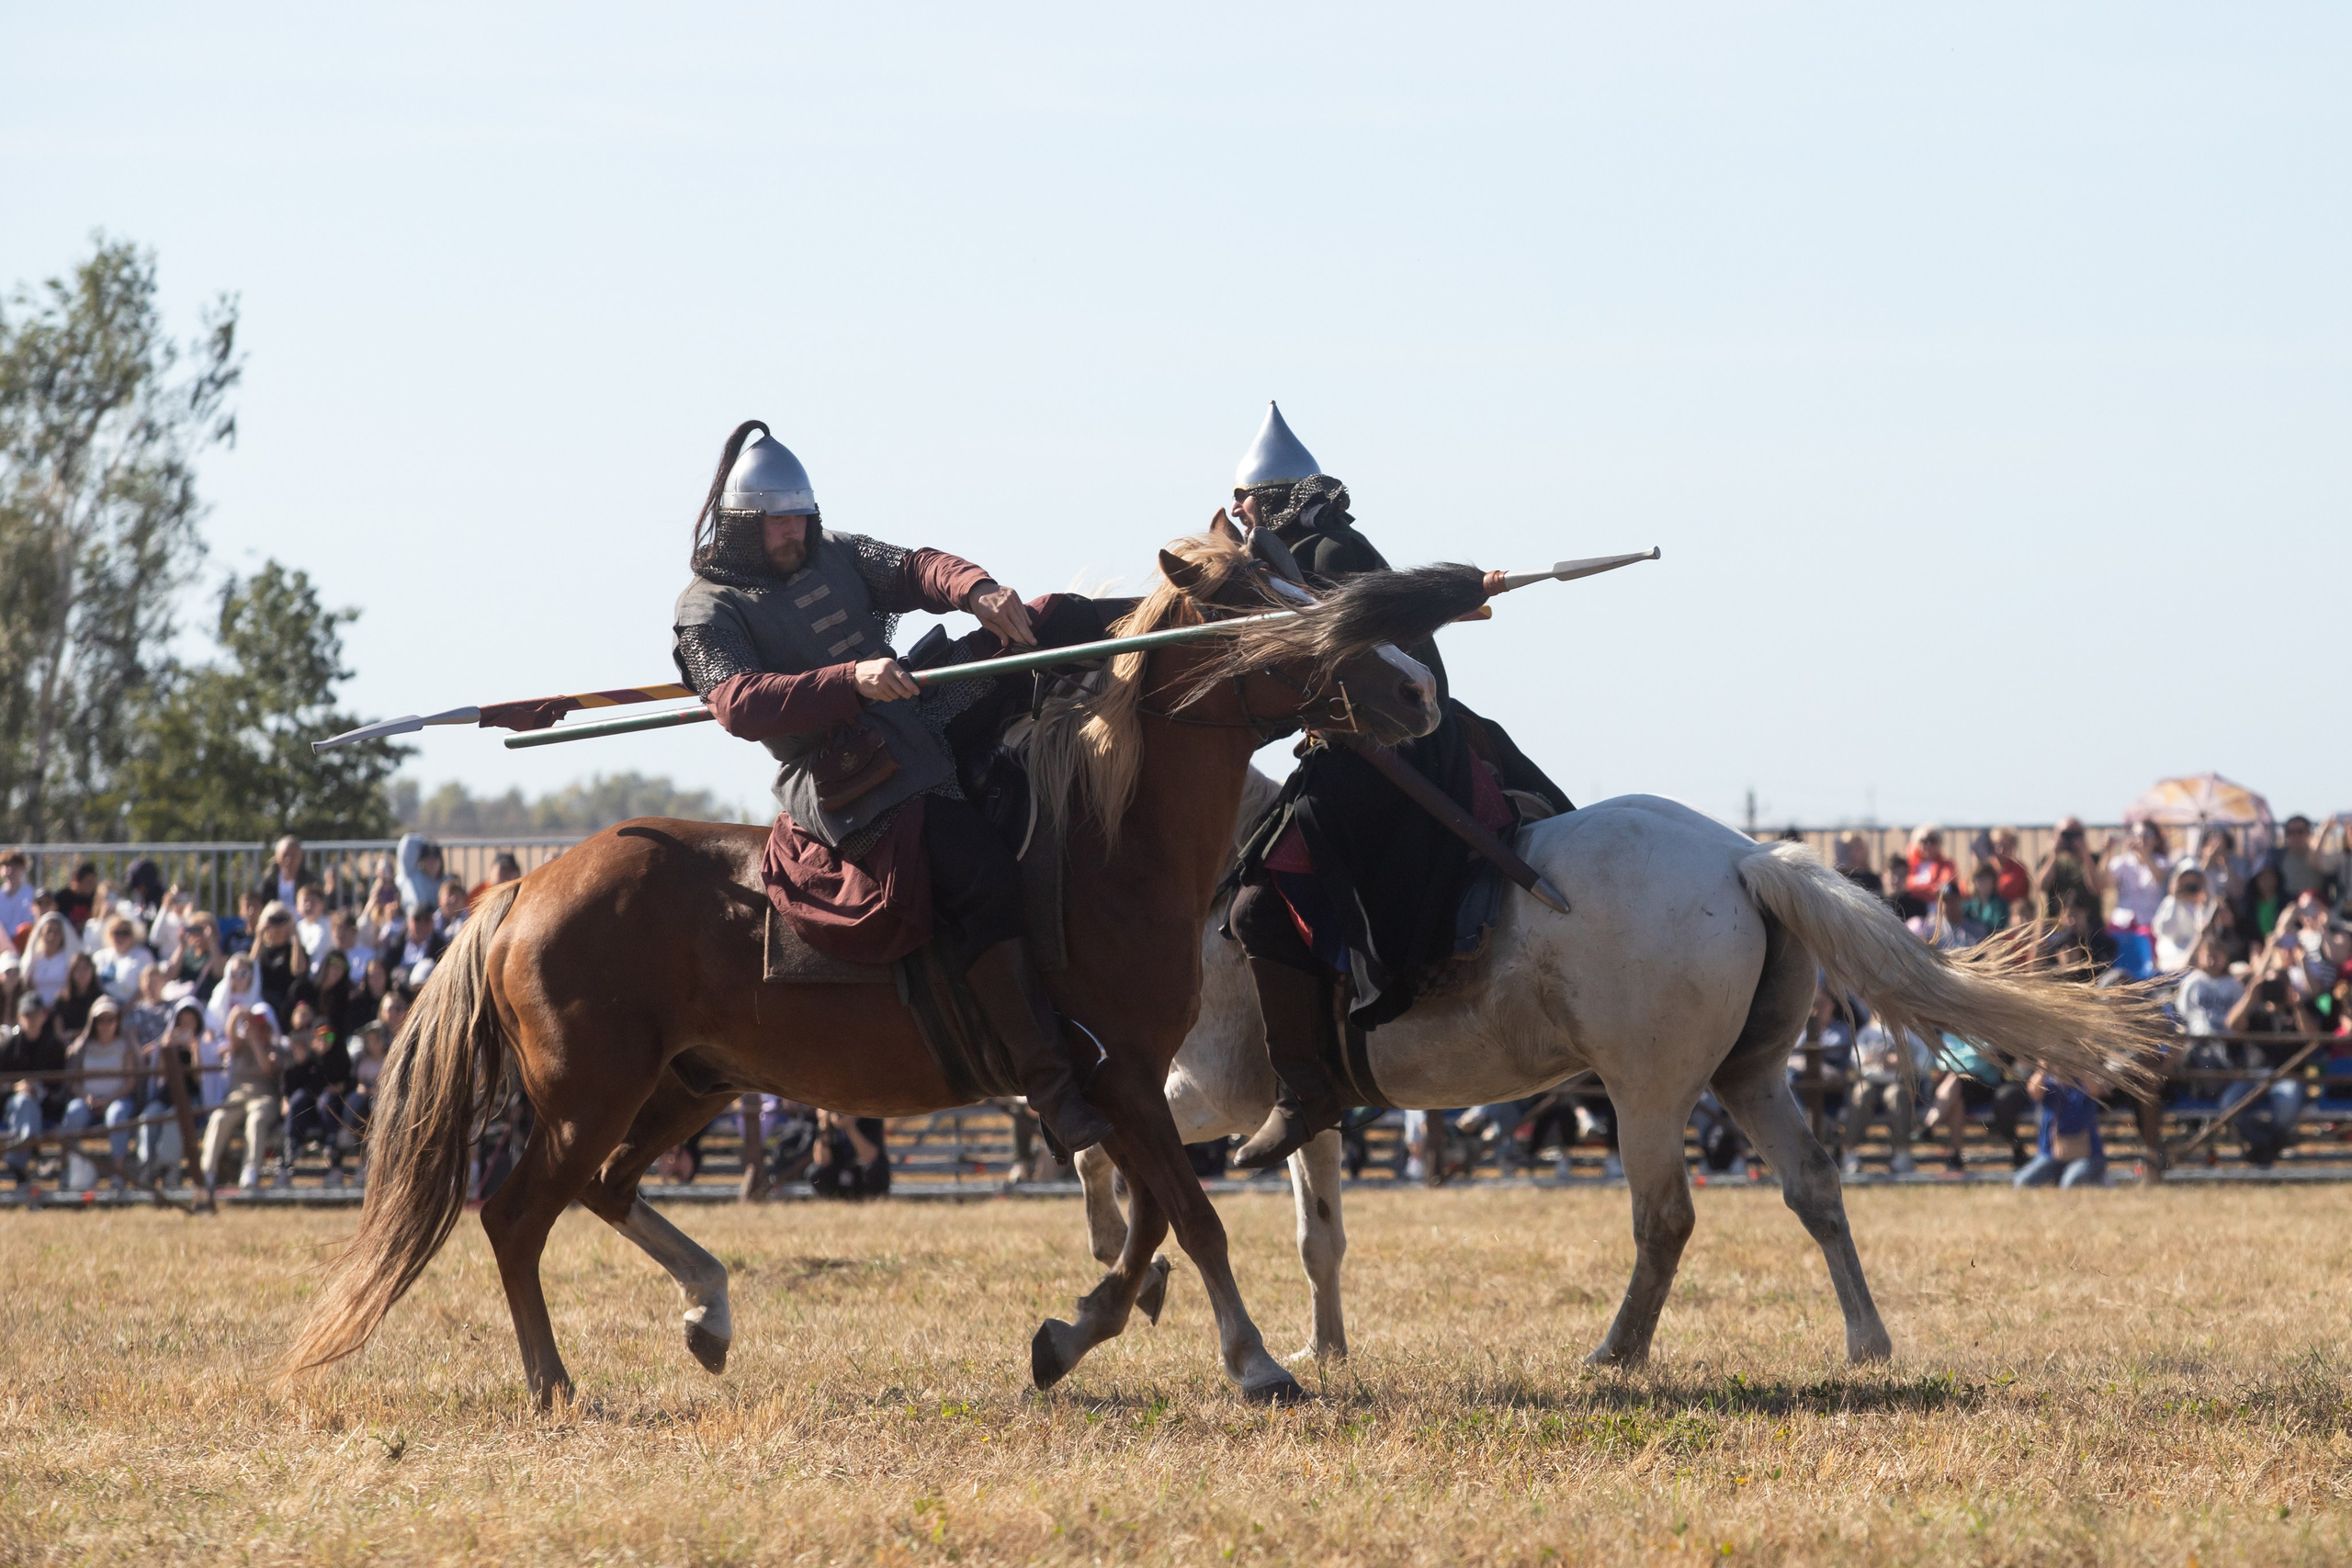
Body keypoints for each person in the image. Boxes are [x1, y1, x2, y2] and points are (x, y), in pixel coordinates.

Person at [668, 419, 1114, 1154]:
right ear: (742, 524)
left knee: (1054, 619)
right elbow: (739, 703)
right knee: (981, 870)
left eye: (801, 515)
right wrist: (851, 679)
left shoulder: (832, 551)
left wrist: (978, 590)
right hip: (850, 775)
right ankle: (1053, 1090)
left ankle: (1195, 627)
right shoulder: (708, 605)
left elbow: (917, 567)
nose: (795, 530)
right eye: (778, 519)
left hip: (919, 713)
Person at [1216, 403, 1568, 1167]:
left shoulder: (1330, 552)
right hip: (1363, 744)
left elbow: (1383, 670)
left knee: (1254, 901)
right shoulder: (1298, 555)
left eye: (1245, 497)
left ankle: (1305, 1088)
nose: (1236, 509)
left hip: (1386, 750)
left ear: (1270, 497)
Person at [199, 1004, 284, 1190]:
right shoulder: (240, 1046)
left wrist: (255, 1042)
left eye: (263, 1027)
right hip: (237, 1096)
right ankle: (207, 1171)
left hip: (263, 1097)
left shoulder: (276, 1049)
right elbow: (230, 1032)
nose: (259, 1031)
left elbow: (268, 1069)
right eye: (256, 1025)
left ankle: (250, 1171)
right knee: (219, 1117)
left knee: (256, 1119)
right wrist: (238, 1012)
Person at [61, 997, 140, 1188]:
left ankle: (118, 1172)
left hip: (117, 1099)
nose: (105, 1025)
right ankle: (68, 1171)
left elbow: (130, 1082)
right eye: (100, 1020)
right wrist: (87, 1098)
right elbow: (74, 1083)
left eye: (110, 1020)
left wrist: (109, 1099)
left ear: (117, 1022)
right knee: (73, 1113)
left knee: (117, 1115)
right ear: (93, 1023)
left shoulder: (125, 1046)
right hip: (87, 1101)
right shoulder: (83, 1046)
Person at [1841, 1017, 1922, 1175]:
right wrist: (1877, 1059)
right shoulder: (1866, 1032)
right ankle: (1850, 1153)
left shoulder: (1910, 1031)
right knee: (1860, 1094)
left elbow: (1923, 1061)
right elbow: (1855, 1060)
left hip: (1899, 1080)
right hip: (1869, 1079)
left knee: (1896, 1095)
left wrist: (1903, 1062)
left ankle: (1902, 1153)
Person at [2, 994, 68, 1186]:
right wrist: (16, 1087)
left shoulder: (54, 1046)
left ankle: (17, 1166)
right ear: (19, 1018)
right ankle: (33, 1155)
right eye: (27, 1015)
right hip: (11, 1106)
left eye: (35, 1015)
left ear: (44, 1017)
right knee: (24, 1102)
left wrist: (38, 1088)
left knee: (29, 1103)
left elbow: (59, 1083)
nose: (32, 1020)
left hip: (46, 1105)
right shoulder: (7, 1046)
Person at [2014, 1066, 2106, 1188]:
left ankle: (2097, 1179)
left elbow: (2097, 1089)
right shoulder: (2048, 1085)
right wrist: (2043, 1067)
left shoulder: (2084, 1085)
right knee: (2022, 1182)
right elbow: (2033, 1091)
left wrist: (2076, 1065)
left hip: (2087, 1156)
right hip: (2051, 1156)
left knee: (2069, 1184)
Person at [2150, 863, 2218, 974]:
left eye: (2194, 884)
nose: (2190, 887)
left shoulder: (2206, 906)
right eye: (2186, 884)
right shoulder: (2170, 902)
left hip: (2198, 958)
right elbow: (2163, 930)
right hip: (2172, 957)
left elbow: (2212, 934)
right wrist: (2176, 899)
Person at [2037, 818, 2106, 921]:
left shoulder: (2095, 859)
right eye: (2065, 834)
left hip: (2090, 925)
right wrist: (2054, 854)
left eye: (2075, 834)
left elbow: (2097, 889)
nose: (2070, 839)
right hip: (2056, 925)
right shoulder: (2048, 860)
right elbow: (2041, 887)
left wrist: (2085, 855)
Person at [2105, 821, 2171, 929]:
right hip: (2122, 921)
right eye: (2137, 835)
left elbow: (2159, 877)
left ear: (2156, 840)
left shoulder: (2162, 862)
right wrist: (2108, 852)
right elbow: (2107, 883)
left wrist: (2141, 852)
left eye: (2147, 835)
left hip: (2150, 921)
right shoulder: (2123, 861)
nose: (2142, 839)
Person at [249, 901, 308, 1021]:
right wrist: (259, 936)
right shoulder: (260, 948)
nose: (277, 926)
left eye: (281, 919)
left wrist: (295, 936)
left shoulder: (295, 949)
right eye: (273, 919)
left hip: (287, 1003)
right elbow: (250, 970)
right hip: (262, 1001)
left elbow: (298, 970)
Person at [93, 916, 156, 1003]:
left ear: (133, 935)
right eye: (116, 933)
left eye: (125, 933)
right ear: (109, 934)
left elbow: (148, 986)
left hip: (134, 1008)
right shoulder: (99, 957)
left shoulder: (143, 955)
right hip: (104, 1008)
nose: (120, 937)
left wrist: (126, 1009)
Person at [19, 911, 76, 1006]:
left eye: (57, 932)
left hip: (62, 1009)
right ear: (41, 934)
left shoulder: (69, 958)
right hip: (37, 1011)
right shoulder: (34, 959)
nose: (52, 936)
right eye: (49, 931)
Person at [1901, 826, 1959, 911]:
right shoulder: (1907, 865)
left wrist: (1915, 890)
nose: (1928, 844)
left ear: (1940, 843)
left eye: (1933, 840)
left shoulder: (1947, 865)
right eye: (1923, 841)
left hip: (1936, 909)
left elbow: (1943, 889)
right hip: (1910, 909)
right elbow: (1902, 887)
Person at [255, 835, 318, 911]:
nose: (289, 859)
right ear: (277, 856)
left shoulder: (310, 881)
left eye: (293, 855)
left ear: (301, 857)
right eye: (285, 855)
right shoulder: (269, 880)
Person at [52, 951, 105, 1037]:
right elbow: (59, 1032)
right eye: (77, 968)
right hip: (67, 1044)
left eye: (86, 968)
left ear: (93, 971)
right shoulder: (61, 999)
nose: (82, 973)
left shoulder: (100, 998)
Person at [395, 834, 447, 914]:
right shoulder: (412, 876)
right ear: (421, 860)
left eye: (435, 857)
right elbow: (408, 841)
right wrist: (426, 841)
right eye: (427, 857)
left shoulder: (447, 881)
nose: (432, 862)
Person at [1959, 863, 2010, 938]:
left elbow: (1999, 927)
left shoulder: (2001, 905)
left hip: (1993, 944)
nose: (1983, 882)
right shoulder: (1967, 906)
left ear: (1993, 881)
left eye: (1986, 878)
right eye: (1979, 878)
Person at [0, 850, 38, 948]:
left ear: (23, 868)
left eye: (15, 866)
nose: (10, 870)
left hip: (23, 943)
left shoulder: (31, 894)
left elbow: (31, 922)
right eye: (7, 866)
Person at [292, 885, 334, 966]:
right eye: (305, 901)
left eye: (313, 902)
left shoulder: (327, 925)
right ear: (297, 906)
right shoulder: (298, 927)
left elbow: (313, 951)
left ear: (322, 905)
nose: (308, 905)